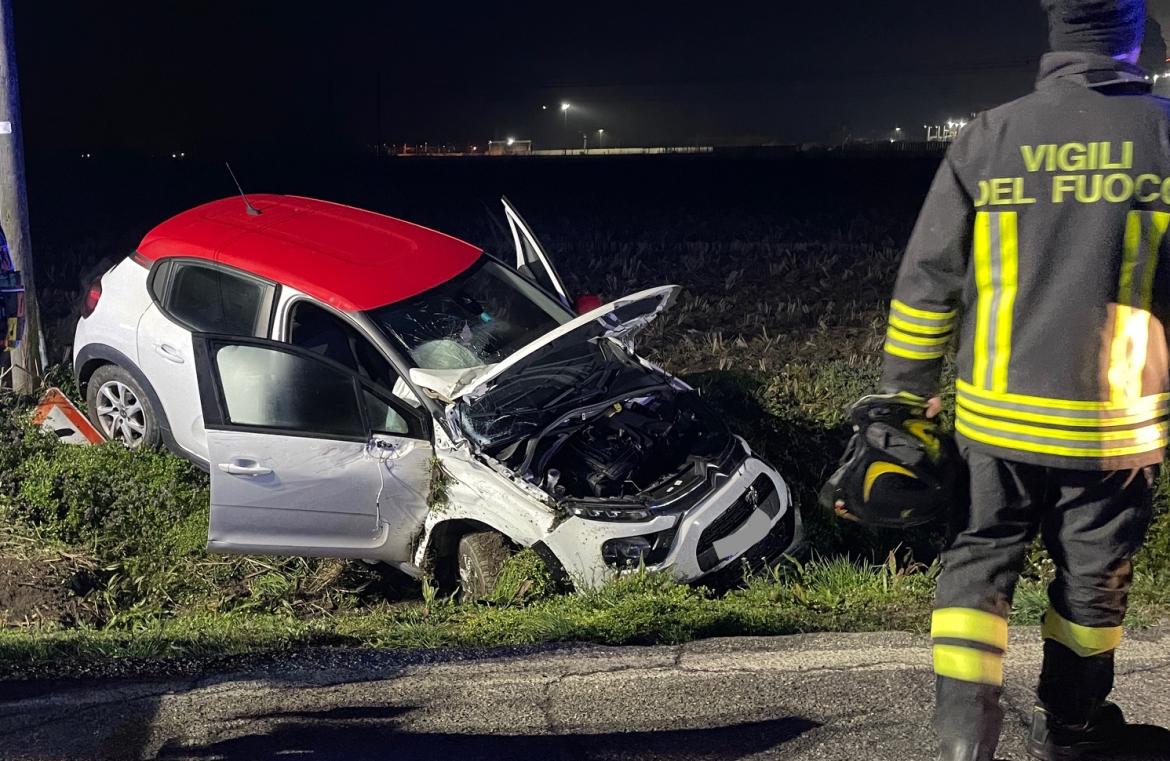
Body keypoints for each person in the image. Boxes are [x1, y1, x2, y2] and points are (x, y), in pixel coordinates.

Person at [878, 1, 1169, 759]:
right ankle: (1074, 724)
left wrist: (906, 396)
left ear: (1058, 35)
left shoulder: (990, 134)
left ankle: (961, 738)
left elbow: (926, 284)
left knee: (977, 566)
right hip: (1115, 423)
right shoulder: (1164, 133)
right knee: (1093, 579)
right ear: (1135, 37)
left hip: (993, 421)